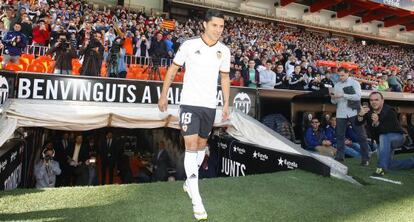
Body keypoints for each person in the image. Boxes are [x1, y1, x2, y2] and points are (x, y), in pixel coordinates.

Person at [158, 9, 230, 221]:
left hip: (209, 106)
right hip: (189, 103)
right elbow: (172, 70)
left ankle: (189, 182)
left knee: (200, 147)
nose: (218, 30)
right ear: (205, 25)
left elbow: (225, 78)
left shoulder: (224, 51)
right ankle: (196, 199)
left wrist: (226, 103)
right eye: (215, 25)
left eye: (221, 26)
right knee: (191, 146)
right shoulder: (189, 45)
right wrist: (163, 95)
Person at [357, 92, 414, 176]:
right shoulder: (369, 111)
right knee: (388, 164)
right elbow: (358, 123)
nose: (373, 102)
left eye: (376, 100)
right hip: (383, 141)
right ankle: (412, 162)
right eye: (371, 100)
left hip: (398, 137)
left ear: (382, 101)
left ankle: (381, 170)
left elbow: (386, 130)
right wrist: (360, 115)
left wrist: (377, 122)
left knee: (384, 136)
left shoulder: (389, 111)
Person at [330, 67, 370, 165]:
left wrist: (343, 95)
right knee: (340, 135)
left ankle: (365, 158)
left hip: (354, 112)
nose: (340, 77)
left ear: (348, 74)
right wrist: (333, 97)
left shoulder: (354, 83)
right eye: (339, 75)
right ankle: (340, 157)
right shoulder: (337, 85)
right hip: (340, 113)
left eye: (342, 75)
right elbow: (333, 101)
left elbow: (358, 96)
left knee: (361, 135)